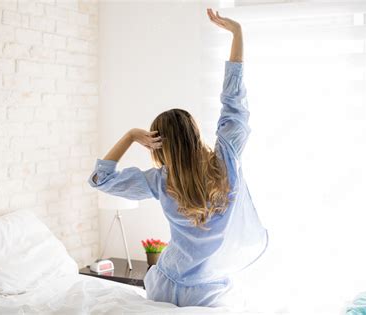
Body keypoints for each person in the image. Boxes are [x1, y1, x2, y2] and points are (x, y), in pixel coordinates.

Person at [88, 8, 268, 308]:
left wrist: (131, 136)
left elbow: (100, 180)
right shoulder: (226, 161)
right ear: (195, 134)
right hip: (207, 291)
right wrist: (237, 34)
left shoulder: (160, 181)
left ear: (157, 144)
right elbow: (233, 101)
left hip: (165, 284)